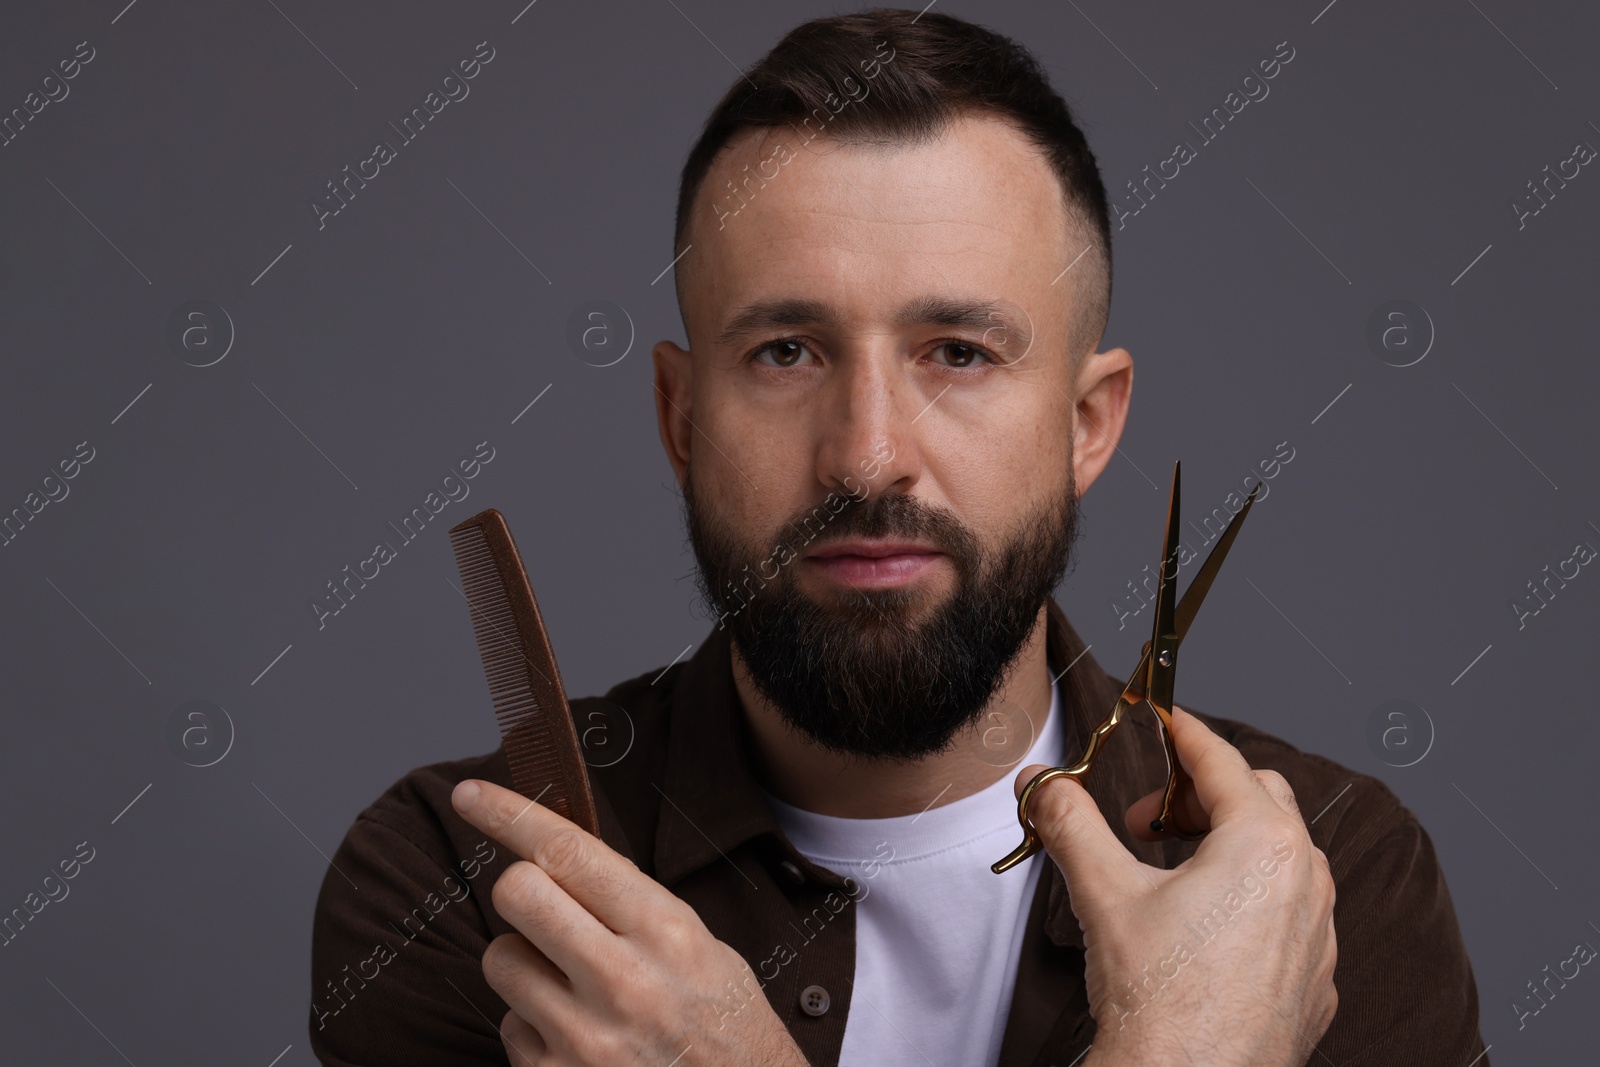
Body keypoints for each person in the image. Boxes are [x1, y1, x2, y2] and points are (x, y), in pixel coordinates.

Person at [309, 9, 1487, 1065]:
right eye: (786, 352)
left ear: (1087, 423)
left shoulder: (1322, 887)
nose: (868, 457)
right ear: (680, 416)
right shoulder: (464, 889)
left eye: (958, 354)